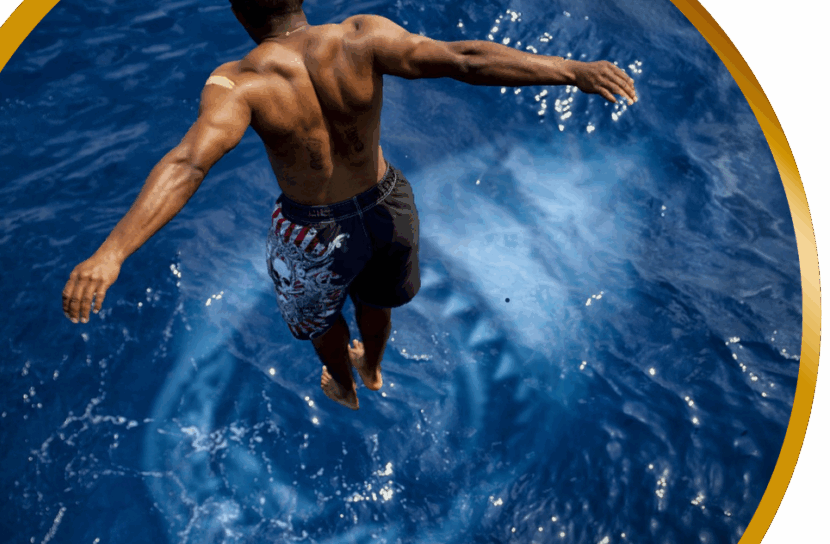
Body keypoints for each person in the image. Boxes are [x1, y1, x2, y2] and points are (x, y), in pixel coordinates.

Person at [61, 0, 637, 411]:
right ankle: (374, 366)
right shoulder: (361, 36)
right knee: (378, 299)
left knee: (321, 321)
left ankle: (342, 381)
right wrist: (572, 71)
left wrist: (112, 253)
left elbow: (189, 163)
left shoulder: (238, 83)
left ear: (238, 11)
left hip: (312, 233)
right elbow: (464, 58)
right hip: (388, 205)